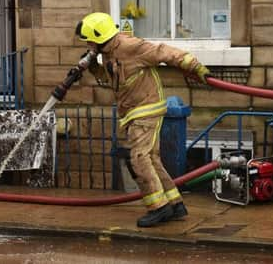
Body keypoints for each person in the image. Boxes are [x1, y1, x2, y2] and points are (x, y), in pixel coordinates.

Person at [75, 12, 210, 228]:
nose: (89, 45)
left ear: (100, 37)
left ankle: (158, 208)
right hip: (134, 112)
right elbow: (113, 81)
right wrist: (94, 68)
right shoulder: (109, 54)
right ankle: (175, 204)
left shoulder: (129, 46)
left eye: (90, 40)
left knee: (138, 158)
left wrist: (194, 66)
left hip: (146, 110)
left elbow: (163, 52)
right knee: (151, 159)